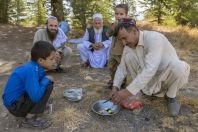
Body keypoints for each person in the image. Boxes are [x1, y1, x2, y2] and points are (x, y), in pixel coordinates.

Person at [110, 18, 190, 116]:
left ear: (134, 31)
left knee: (179, 66)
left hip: (164, 77)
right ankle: (143, 90)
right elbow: (122, 68)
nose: (123, 43)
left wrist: (127, 92)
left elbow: (150, 69)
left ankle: (171, 96)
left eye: (124, 38)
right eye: (120, 40)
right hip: (148, 81)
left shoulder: (154, 38)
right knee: (128, 56)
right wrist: (115, 87)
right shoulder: (128, 46)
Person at [2, 41, 56, 129]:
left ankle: (34, 108)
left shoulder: (34, 66)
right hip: (15, 106)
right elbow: (35, 97)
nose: (54, 61)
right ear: (41, 60)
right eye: (51, 59)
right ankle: (29, 119)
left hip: (16, 101)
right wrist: (46, 80)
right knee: (47, 83)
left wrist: (45, 80)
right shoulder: (30, 70)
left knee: (46, 82)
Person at [107, 4, 129, 88]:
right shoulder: (113, 24)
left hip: (121, 52)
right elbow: (107, 34)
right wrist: (112, 28)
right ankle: (113, 81)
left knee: (121, 68)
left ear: (126, 15)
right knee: (111, 67)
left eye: (121, 14)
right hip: (112, 51)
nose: (118, 16)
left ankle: (122, 82)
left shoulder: (127, 25)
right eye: (116, 14)